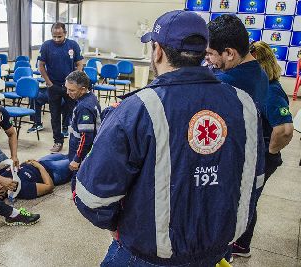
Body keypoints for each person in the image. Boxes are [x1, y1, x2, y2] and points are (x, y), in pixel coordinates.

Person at [73, 10, 265, 267]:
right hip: (215, 251)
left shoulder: (137, 109)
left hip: (147, 253)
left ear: (158, 50)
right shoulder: (244, 105)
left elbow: (92, 197)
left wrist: (119, 226)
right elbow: (254, 179)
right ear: (203, 51)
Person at [207, 16, 293, 259]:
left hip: (246, 161)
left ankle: (229, 252)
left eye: (212, 54)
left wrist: (269, 153)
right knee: (246, 204)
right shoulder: (257, 73)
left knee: (233, 211)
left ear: (230, 53)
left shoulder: (227, 82)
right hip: (252, 159)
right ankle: (234, 249)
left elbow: (285, 129)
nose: (209, 60)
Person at [40, 70, 101, 187]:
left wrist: (77, 159)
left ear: (83, 89)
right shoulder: (88, 97)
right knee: (46, 160)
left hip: (82, 155)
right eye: (66, 88)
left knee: (76, 183)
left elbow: (86, 138)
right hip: (77, 152)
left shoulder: (84, 107)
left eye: (72, 90)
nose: (67, 93)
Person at [38, 22, 84, 153]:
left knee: (74, 113)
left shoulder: (73, 45)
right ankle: (58, 141)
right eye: (54, 36)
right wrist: (49, 83)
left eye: (59, 36)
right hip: (54, 86)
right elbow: (41, 66)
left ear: (65, 33)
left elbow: (79, 64)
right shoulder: (46, 45)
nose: (57, 39)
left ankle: (76, 140)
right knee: (55, 115)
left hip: (70, 87)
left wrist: (75, 81)